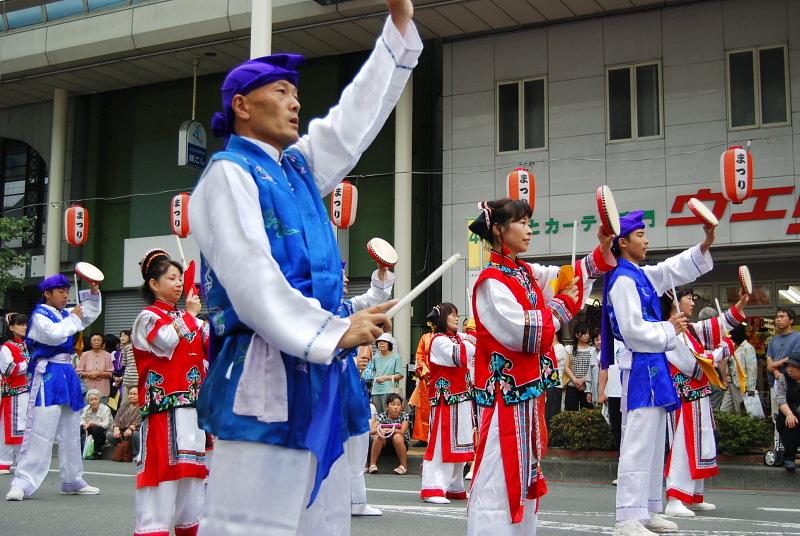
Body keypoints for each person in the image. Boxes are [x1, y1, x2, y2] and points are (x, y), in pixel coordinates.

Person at [189, 2, 420, 533]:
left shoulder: (294, 167)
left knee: (325, 518)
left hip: (322, 369)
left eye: (296, 94)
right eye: (282, 93)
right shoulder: (228, 173)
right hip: (265, 373)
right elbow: (252, 279)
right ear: (242, 106)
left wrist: (398, 29)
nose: (296, 104)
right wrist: (338, 330)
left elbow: (352, 123)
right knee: (253, 521)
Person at [467, 198, 615, 535]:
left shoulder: (523, 272)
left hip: (525, 396)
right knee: (497, 478)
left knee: (523, 475)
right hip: (504, 399)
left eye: (529, 222)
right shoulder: (491, 281)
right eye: (521, 222)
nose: (529, 229)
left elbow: (565, 277)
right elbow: (524, 333)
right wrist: (563, 305)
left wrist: (600, 250)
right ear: (498, 229)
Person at [601, 211, 716, 536]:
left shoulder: (638, 274)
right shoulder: (623, 280)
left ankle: (648, 509)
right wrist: (669, 329)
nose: (646, 240)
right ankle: (626, 517)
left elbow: (670, 269)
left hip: (653, 368)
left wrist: (704, 243)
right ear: (623, 243)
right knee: (637, 444)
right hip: (639, 368)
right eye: (640, 235)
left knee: (654, 443)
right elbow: (633, 331)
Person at [131, 249, 210, 536]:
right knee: (162, 482)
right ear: (154, 284)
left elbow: (211, 344)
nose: (178, 284)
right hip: (164, 410)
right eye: (171, 278)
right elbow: (164, 342)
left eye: (180, 279)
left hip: (195, 411)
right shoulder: (147, 318)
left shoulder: (190, 319)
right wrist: (189, 316)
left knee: (193, 481)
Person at [6, 274, 102, 501]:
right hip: (48, 372)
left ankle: (73, 479)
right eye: (60, 291)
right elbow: (54, 335)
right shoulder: (40, 315)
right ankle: (23, 481)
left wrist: (94, 293)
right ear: (47, 294)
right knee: (41, 428)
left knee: (71, 428)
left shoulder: (65, 313)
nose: (65, 295)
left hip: (67, 371)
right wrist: (74, 319)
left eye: (67, 291)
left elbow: (86, 315)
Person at [661, 286, 748, 517]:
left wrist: (741, 303)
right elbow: (696, 365)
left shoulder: (689, 328)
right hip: (683, 396)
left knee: (699, 442)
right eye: (688, 298)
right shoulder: (671, 330)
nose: (692, 302)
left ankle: (694, 496)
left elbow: (718, 325)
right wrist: (722, 350)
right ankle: (675, 498)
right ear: (674, 301)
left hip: (697, 394)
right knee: (683, 445)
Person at [338, 262, 394, 518]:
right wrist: (350, 359)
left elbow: (374, 298)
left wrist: (382, 273)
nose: (347, 279)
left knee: (358, 441)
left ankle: (356, 501)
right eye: (341, 275)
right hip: (328, 385)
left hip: (351, 386)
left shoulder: (347, 306)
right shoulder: (315, 308)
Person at [420, 303, 475, 504]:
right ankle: (433, 487)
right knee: (441, 444)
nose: (456, 318)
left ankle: (455, 486)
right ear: (442, 317)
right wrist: (473, 337)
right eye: (452, 314)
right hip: (445, 399)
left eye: (457, 314)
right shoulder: (438, 340)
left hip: (462, 398)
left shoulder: (459, 338)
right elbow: (459, 357)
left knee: (462, 442)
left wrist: (472, 337)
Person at [0, 313, 31, 474]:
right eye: (21, 324)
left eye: (26, 324)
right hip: (13, 392)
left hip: (27, 391)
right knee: (12, 426)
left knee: (24, 426)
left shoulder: (27, 345)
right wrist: (27, 364)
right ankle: (6, 461)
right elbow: (8, 369)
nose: (25, 326)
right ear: (11, 327)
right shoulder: (7, 347)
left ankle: (21, 461)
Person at [767, 309, 800, 420]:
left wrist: (773, 365)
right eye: (777, 317)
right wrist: (775, 371)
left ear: (791, 320)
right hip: (774, 381)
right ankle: (777, 438)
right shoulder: (773, 340)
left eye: (782, 316)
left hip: (791, 382)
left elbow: (793, 356)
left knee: (793, 413)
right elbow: (768, 358)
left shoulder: (797, 337)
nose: (778, 319)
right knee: (775, 416)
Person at [368, 393, 411, 474]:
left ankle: (404, 465)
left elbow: (402, 431)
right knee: (379, 436)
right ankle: (372, 464)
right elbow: (372, 430)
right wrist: (380, 430)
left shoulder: (404, 415)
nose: (396, 407)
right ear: (387, 407)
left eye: (399, 404)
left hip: (401, 445)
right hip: (384, 446)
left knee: (397, 436)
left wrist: (387, 429)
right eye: (392, 404)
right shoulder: (383, 416)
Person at [720, 324, 757, 414]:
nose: (731, 337)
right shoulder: (732, 346)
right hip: (730, 383)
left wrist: (751, 389)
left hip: (742, 385)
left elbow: (752, 369)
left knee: (740, 410)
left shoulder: (748, 348)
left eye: (732, 335)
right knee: (723, 410)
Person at [598, 338, 625, 454]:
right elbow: (604, 369)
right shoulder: (609, 343)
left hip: (634, 393)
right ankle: (622, 457)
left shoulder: (635, 337)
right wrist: (601, 392)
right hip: (614, 392)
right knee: (617, 428)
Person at [775, 352, 800, 471]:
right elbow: (780, 399)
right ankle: (789, 458)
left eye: (793, 366)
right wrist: (789, 414)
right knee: (792, 422)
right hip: (787, 412)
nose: (789, 369)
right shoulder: (783, 379)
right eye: (788, 366)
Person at [564, 324, 596, 410]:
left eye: (588, 333)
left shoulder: (592, 350)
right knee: (570, 413)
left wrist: (582, 380)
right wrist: (575, 380)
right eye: (584, 333)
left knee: (588, 413)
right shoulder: (569, 348)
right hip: (572, 385)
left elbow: (593, 369)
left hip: (587, 386)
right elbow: (566, 367)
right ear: (577, 335)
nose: (587, 336)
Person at [410, 330, 434, 446]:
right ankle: (423, 437)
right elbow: (419, 357)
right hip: (427, 379)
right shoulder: (425, 337)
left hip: (443, 379)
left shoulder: (449, 337)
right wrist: (426, 374)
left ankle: (437, 437)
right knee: (424, 409)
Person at [371, 333, 404, 415]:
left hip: (389, 390)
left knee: (390, 415)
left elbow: (400, 375)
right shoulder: (375, 357)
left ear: (389, 344)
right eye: (379, 342)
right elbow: (372, 371)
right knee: (378, 415)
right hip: (376, 390)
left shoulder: (396, 357)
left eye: (384, 341)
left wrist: (385, 378)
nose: (381, 343)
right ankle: (379, 428)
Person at [76, 333, 114, 401]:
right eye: (94, 340)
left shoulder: (108, 355)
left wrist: (99, 373)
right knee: (87, 410)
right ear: (90, 342)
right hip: (87, 389)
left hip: (103, 390)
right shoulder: (85, 355)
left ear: (102, 342)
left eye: (99, 340)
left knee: (103, 410)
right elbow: (78, 371)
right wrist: (88, 374)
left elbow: (110, 373)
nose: (96, 342)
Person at [106, 386, 142, 460]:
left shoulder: (142, 406)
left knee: (135, 433)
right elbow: (117, 418)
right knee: (109, 434)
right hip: (123, 432)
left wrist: (131, 428)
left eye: (134, 394)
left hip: (135, 431)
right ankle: (122, 451)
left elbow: (141, 420)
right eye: (130, 394)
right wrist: (116, 428)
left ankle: (136, 454)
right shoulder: (125, 405)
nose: (131, 396)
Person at [80, 388, 112, 459]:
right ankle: (80, 450)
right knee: (81, 428)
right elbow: (81, 420)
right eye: (91, 400)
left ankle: (98, 452)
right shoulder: (86, 408)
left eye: (95, 399)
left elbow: (106, 424)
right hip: (90, 431)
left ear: (99, 400)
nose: (94, 402)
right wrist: (84, 424)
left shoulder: (105, 409)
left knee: (96, 429)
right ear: (88, 401)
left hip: (104, 433)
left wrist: (92, 423)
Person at [545, 329, 568, 425]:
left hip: (555, 384)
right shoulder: (549, 348)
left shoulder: (560, 347)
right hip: (547, 384)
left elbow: (549, 361)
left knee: (552, 414)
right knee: (547, 412)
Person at [120, 329, 138, 395]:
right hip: (128, 380)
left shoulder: (145, 348)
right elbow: (124, 364)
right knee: (125, 403)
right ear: (130, 336)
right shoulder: (127, 348)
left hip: (140, 380)